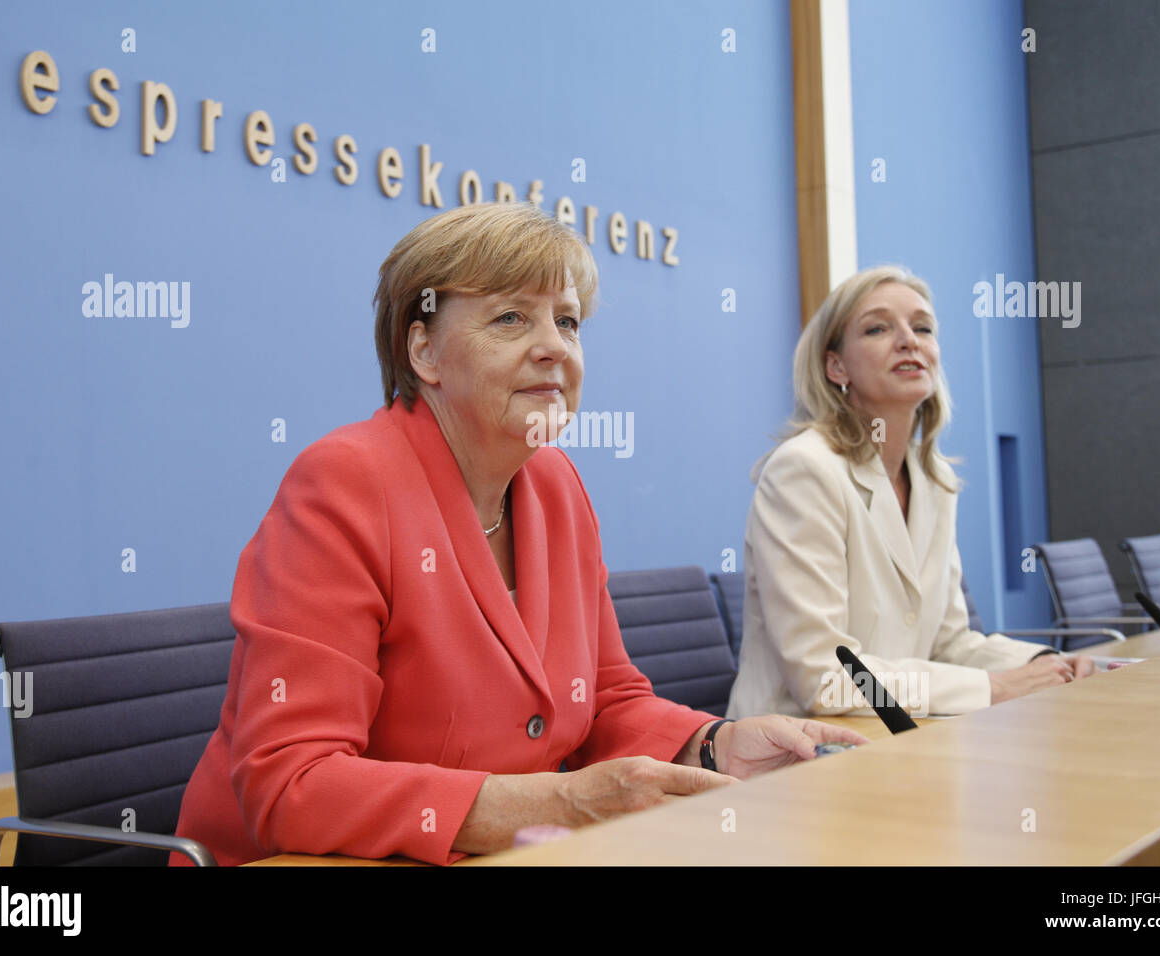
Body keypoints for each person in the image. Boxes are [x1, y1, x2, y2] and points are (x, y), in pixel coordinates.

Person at [171, 202, 867, 866]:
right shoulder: (343, 485)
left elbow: (605, 702)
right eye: (510, 319)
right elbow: (292, 785)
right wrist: (562, 802)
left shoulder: (556, 486)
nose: (553, 348)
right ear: (425, 350)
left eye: (567, 322)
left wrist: (715, 745)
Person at [727, 265, 1095, 721]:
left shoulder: (933, 479)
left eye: (922, 327)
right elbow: (825, 679)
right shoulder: (804, 470)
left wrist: (1042, 665)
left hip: (902, 737)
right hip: (798, 755)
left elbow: (948, 643)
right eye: (878, 328)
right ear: (835, 365)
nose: (909, 341)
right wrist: (993, 688)